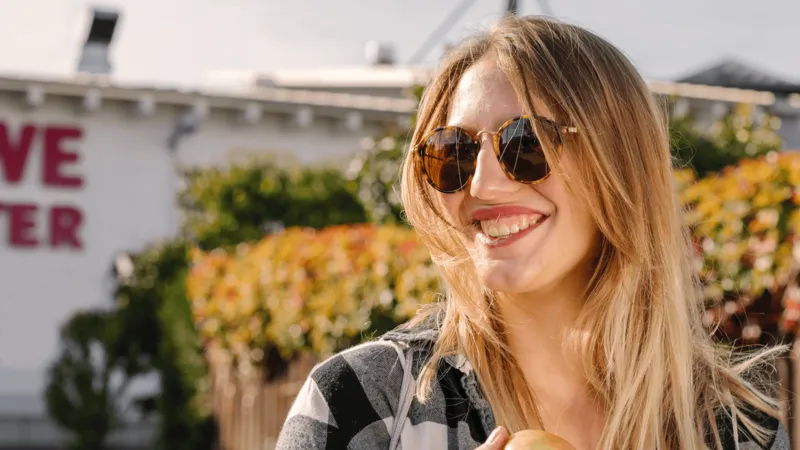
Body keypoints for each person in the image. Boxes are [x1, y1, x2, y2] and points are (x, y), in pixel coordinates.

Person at [275, 15, 791, 450]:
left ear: (620, 166)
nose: (483, 183)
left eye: (528, 143)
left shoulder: (739, 432)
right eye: (453, 151)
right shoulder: (365, 406)